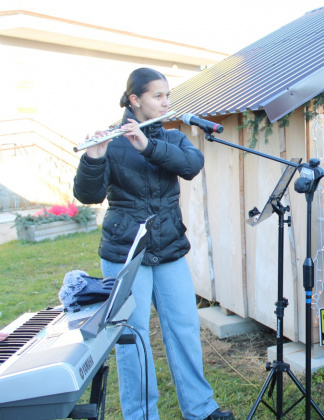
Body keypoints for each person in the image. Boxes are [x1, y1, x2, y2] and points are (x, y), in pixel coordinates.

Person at [73, 68, 233, 420]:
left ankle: (200, 408)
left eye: (167, 96)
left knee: (185, 328)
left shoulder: (171, 139)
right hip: (126, 252)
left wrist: (146, 146)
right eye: (157, 96)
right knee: (135, 336)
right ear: (135, 100)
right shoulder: (112, 142)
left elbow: (191, 165)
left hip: (169, 246)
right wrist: (94, 157)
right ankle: (141, 415)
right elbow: (88, 194)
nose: (166, 102)